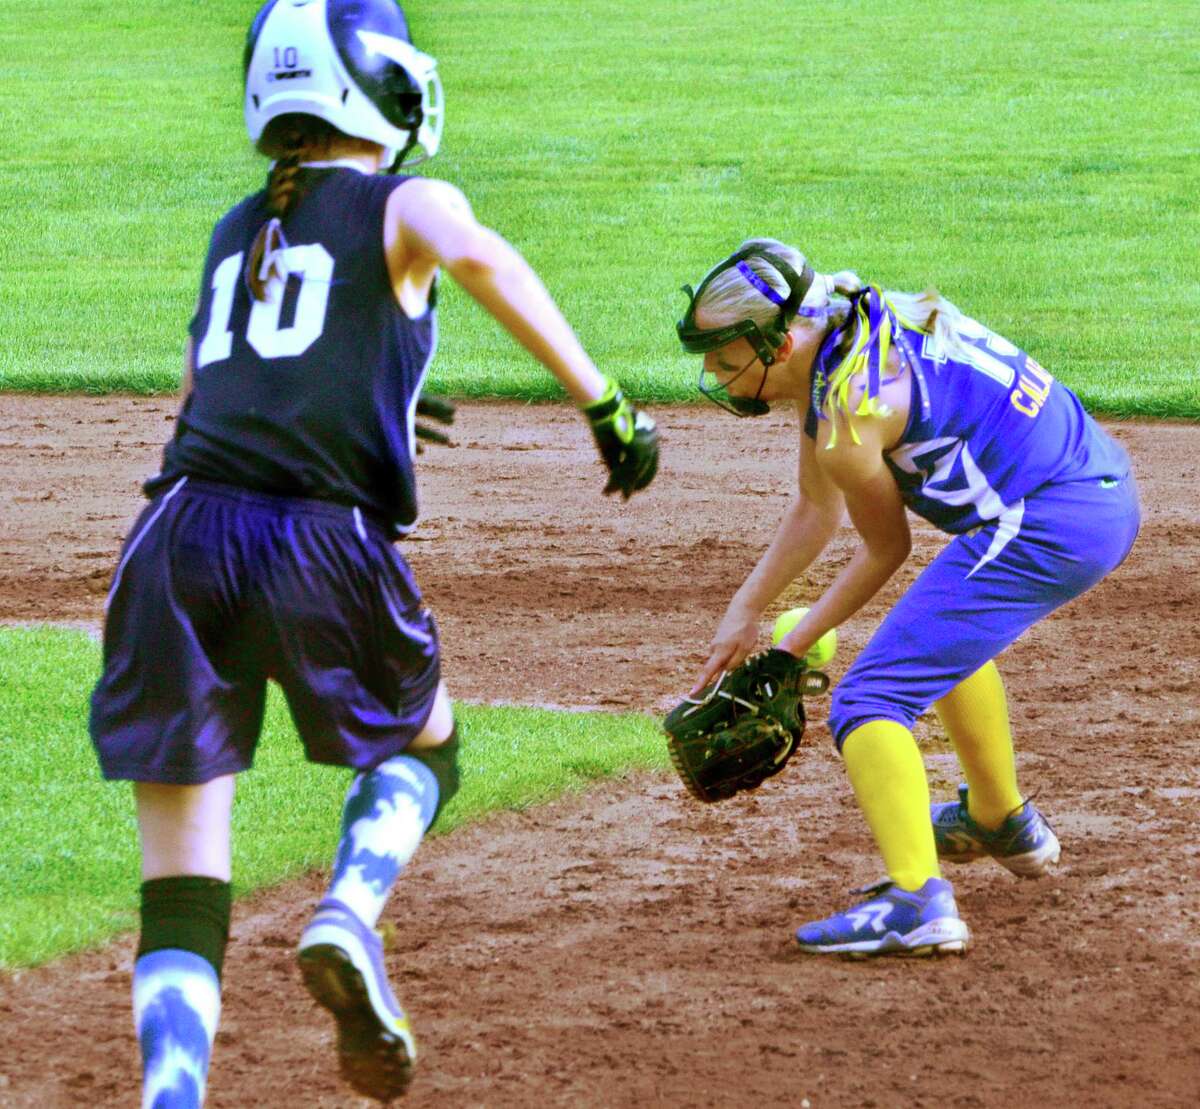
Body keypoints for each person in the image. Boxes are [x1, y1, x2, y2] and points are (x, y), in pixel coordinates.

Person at [89, 2, 658, 1104]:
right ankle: (348, 908)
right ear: (374, 82)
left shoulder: (238, 223)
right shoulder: (409, 196)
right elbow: (478, 256)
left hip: (174, 542)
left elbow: (211, 391)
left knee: (181, 880)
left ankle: (170, 1091)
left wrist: (376, 393)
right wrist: (606, 403)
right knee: (423, 749)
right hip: (318, 537)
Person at [675, 238, 1138, 957]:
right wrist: (744, 612)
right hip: (1088, 487)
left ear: (783, 339)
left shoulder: (852, 409)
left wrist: (790, 651)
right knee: (938, 644)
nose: (714, 372)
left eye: (726, 356)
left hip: (1049, 520)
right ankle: (996, 816)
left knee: (870, 699)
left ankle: (917, 899)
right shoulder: (855, 331)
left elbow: (886, 549)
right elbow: (815, 510)